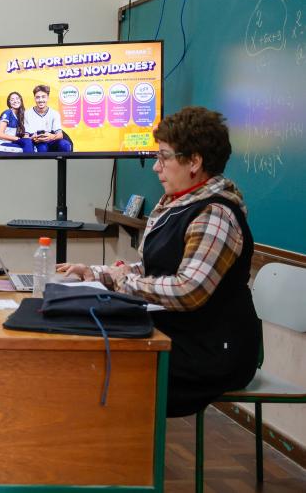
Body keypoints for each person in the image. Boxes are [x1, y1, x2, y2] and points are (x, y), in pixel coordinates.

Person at [57, 107, 260, 417]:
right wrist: (100, 273)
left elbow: (186, 290)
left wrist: (125, 282)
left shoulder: (214, 214)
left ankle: (121, 459)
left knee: (106, 366)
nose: (156, 167)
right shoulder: (178, 204)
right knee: (95, 352)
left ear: (194, 161)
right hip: (180, 335)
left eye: (164, 157)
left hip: (211, 351)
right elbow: (156, 270)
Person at [23, 84, 72, 153]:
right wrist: (32, 138)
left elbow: (60, 135)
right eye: (37, 97)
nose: (40, 100)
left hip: (51, 139)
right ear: (34, 98)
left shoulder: (54, 113)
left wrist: (50, 137)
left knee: (65, 144)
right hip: (36, 140)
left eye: (43, 97)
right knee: (42, 148)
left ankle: (62, 163)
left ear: (48, 98)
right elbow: (25, 136)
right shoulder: (27, 113)